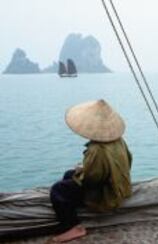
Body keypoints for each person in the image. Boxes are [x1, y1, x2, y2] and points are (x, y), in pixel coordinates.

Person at [50, 99, 133, 243]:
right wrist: (79, 171)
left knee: (58, 189)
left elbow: (91, 179)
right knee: (68, 174)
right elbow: (129, 160)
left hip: (107, 194)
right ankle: (69, 211)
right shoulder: (119, 140)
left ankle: (75, 227)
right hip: (121, 185)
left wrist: (81, 172)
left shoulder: (96, 149)